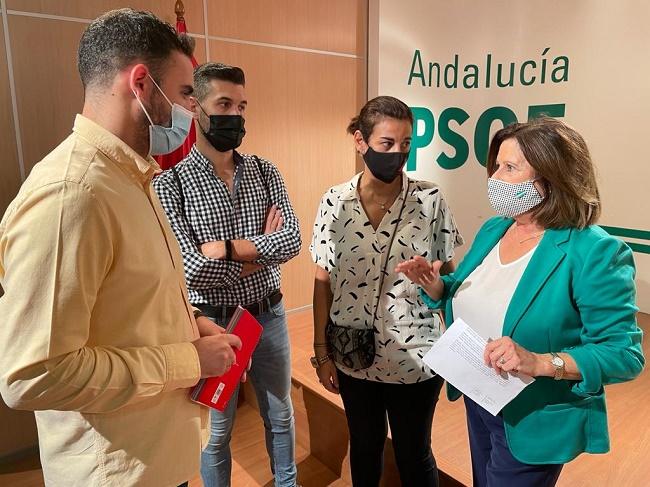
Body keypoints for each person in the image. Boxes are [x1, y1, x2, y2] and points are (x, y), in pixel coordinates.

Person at [0, 9, 243, 487]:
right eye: (186, 93)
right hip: (116, 472)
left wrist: (189, 322)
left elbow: (127, 301)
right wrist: (189, 360)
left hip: (158, 455)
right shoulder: (73, 195)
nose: (193, 110)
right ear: (141, 83)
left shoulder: (134, 176)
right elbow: (33, 373)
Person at [396, 117, 645, 487]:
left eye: (509, 168)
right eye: (496, 166)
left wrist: (541, 361)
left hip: (534, 415)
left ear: (551, 178)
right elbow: (467, 289)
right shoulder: (497, 228)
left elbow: (624, 354)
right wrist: (437, 287)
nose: (494, 178)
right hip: (480, 395)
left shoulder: (595, 251)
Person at [153, 62, 302, 487]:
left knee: (281, 414)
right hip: (211, 323)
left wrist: (229, 250)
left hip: (266, 316)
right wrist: (261, 251)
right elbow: (194, 272)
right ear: (195, 108)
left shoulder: (265, 171)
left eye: (241, 106)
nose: (234, 116)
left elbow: (291, 240)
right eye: (223, 104)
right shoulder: (171, 185)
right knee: (216, 431)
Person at [310, 96, 463, 487]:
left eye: (406, 143)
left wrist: (434, 283)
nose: (398, 153)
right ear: (360, 141)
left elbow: (449, 281)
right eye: (387, 143)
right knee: (364, 446)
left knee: (414, 453)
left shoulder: (430, 199)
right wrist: (322, 353)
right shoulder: (334, 201)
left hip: (416, 357)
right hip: (352, 352)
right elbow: (322, 281)